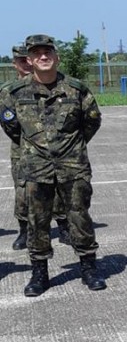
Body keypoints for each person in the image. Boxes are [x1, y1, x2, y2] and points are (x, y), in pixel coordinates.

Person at [0, 34, 106, 296]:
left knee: (79, 217)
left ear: (56, 57)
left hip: (73, 167)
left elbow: (91, 122)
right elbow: (12, 128)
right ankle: (40, 273)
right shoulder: (13, 93)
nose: (43, 57)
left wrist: (70, 147)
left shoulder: (77, 89)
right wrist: (37, 149)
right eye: (37, 53)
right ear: (29, 60)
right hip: (36, 169)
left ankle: (89, 268)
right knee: (38, 221)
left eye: (48, 52)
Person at [3, 46, 71, 250]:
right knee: (23, 191)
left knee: (59, 188)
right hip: (23, 150)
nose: (25, 63)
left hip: (56, 150)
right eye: (21, 60)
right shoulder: (10, 90)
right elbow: (9, 124)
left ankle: (63, 226)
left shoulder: (56, 84)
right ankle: (24, 231)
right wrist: (28, 142)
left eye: (27, 59)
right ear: (15, 63)